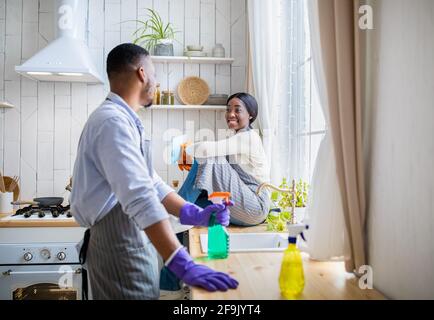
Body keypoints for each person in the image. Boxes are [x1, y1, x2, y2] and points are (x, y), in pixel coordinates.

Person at [70, 43, 238, 300]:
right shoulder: (113, 122)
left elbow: (152, 184)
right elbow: (140, 196)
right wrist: (181, 262)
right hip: (118, 245)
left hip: (129, 240)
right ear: (142, 73)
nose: (157, 82)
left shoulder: (122, 120)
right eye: (155, 73)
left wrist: (194, 213)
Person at [178, 93, 271, 226]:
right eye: (228, 109)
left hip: (255, 205)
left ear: (250, 114)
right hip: (242, 207)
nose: (231, 114)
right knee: (191, 211)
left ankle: (177, 207)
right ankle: (177, 210)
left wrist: (186, 149)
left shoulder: (249, 137)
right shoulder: (236, 139)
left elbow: (205, 150)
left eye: (237, 110)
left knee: (209, 156)